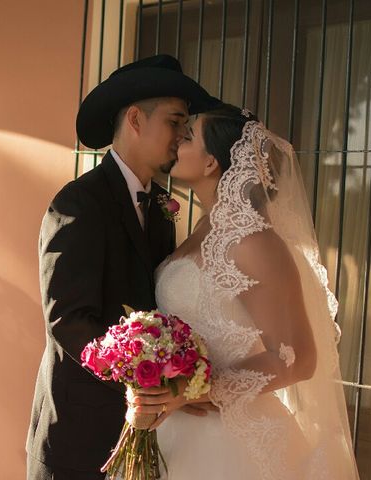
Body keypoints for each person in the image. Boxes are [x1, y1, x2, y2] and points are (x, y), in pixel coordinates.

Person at [131, 104, 360, 479]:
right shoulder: (203, 229)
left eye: (187, 136)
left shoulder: (254, 242)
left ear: (210, 164)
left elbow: (297, 359)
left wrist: (192, 390)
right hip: (179, 433)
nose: (175, 141)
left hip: (229, 447)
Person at [25, 54, 221, 480]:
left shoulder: (160, 210)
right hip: (79, 435)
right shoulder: (77, 203)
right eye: (175, 122)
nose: (182, 136)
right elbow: (68, 319)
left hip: (150, 437)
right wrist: (146, 384)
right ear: (135, 119)